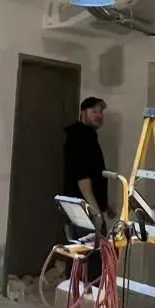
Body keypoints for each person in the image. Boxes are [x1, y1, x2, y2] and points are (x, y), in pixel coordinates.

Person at [62, 96, 110, 283]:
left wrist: (106, 202)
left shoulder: (85, 136)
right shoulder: (81, 138)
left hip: (81, 206)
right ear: (83, 114)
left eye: (101, 112)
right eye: (94, 111)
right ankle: (88, 301)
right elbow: (83, 179)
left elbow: (93, 174)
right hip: (83, 209)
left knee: (81, 256)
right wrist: (96, 211)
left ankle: (79, 298)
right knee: (91, 257)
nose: (99, 115)